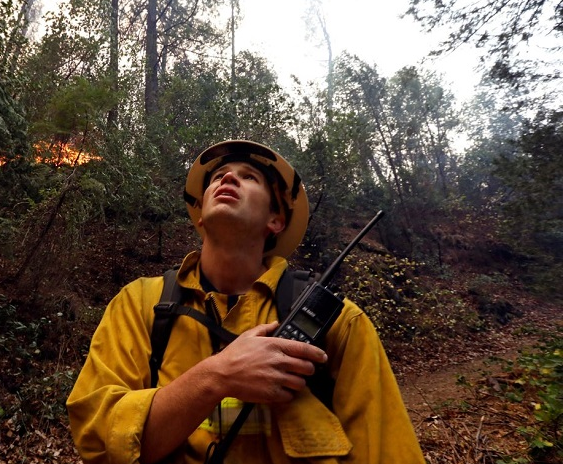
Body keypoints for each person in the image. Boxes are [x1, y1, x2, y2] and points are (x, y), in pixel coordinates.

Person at [66, 140, 425, 464]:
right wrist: (217, 376)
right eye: (218, 176)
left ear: (276, 220)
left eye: (249, 177)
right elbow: (97, 440)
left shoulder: (338, 324)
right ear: (201, 216)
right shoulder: (139, 304)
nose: (228, 179)